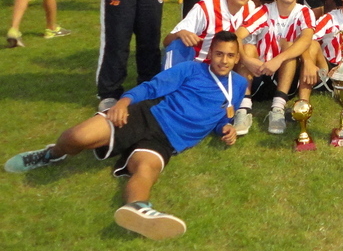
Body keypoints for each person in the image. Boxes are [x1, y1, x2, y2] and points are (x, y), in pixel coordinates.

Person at [4, 31, 245, 241]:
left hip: (167, 141)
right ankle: (52, 154)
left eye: (230, 55)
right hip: (145, 116)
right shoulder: (191, 69)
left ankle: (139, 210)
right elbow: (152, 87)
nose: (224, 60)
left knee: (145, 171)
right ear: (210, 53)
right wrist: (124, 102)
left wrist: (226, 128)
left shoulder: (239, 84)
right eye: (219, 54)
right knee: (76, 137)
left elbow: (224, 115)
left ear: (237, 58)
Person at [234, 0, 316, 135]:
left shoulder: (303, 12)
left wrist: (278, 59)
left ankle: (278, 109)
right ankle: (243, 110)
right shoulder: (264, 11)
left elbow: (307, 38)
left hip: (286, 79)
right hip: (259, 74)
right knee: (248, 48)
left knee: (290, 50)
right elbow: (236, 36)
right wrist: (247, 60)